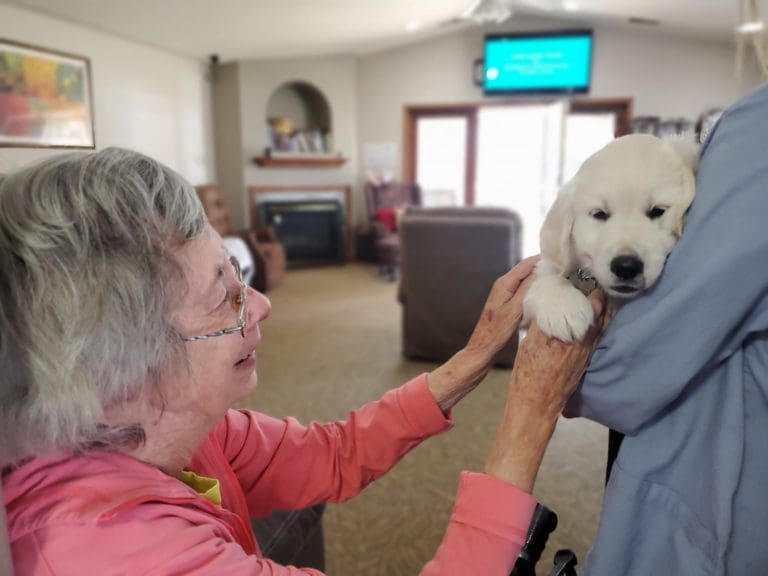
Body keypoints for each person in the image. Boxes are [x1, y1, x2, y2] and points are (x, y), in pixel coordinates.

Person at [0, 148, 608, 576]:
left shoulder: (172, 424)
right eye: (224, 298)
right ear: (120, 372)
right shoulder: (113, 552)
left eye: (239, 275)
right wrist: (530, 412)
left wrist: (475, 357)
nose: (261, 305)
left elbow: (332, 453)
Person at [567, 81, 768, 574]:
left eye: (658, 212)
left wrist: (564, 359)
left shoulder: (752, 133)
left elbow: (612, 375)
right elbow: (576, 265)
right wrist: (571, 278)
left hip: (722, 496)